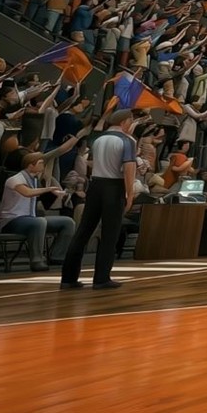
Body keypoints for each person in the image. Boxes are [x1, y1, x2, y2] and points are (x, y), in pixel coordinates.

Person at [61, 108, 138, 290]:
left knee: (83, 230)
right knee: (110, 233)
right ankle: (101, 278)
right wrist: (130, 194)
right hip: (114, 186)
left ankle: (68, 278)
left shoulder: (99, 139)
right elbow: (129, 169)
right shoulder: (127, 141)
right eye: (131, 121)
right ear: (124, 122)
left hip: (95, 185)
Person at [0, 151, 75, 272]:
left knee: (67, 222)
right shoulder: (15, 179)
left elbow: (43, 201)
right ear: (30, 165)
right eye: (40, 163)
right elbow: (27, 193)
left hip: (30, 218)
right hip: (12, 220)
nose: (43, 166)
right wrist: (48, 189)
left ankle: (58, 256)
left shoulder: (35, 180)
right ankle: (36, 260)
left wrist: (57, 195)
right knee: (39, 222)